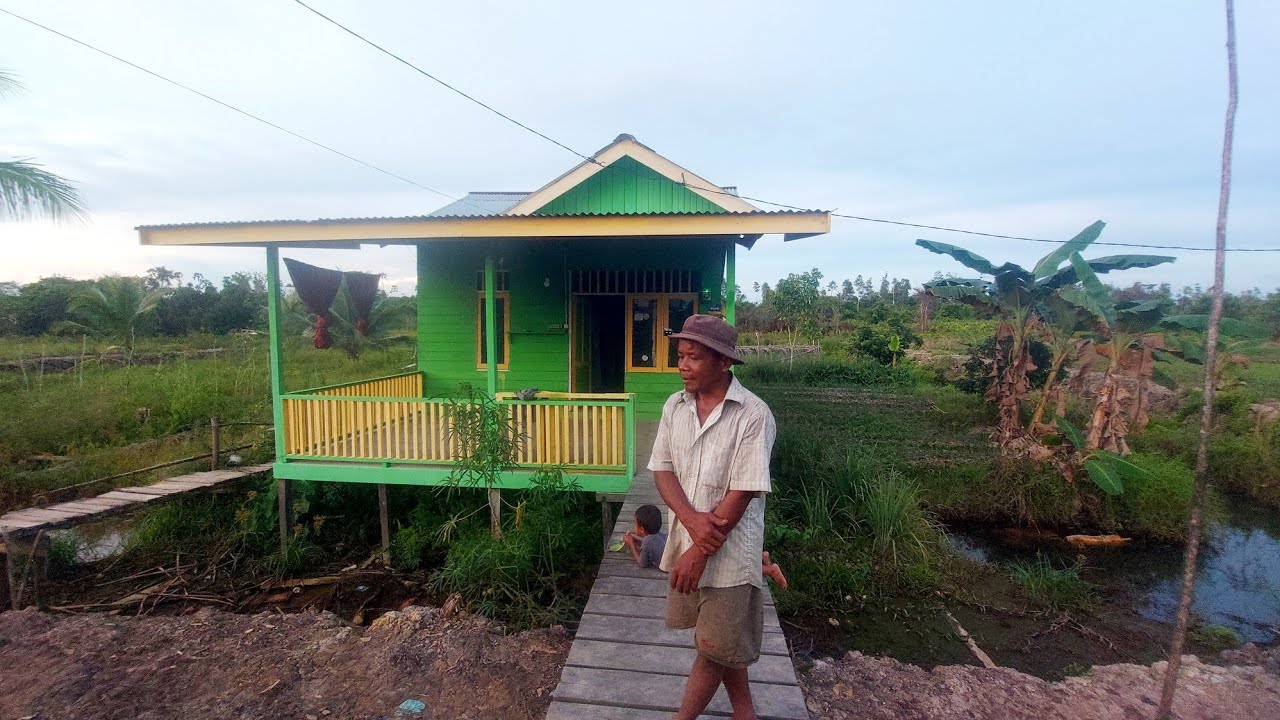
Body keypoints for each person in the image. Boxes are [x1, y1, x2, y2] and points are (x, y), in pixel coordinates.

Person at [648, 314, 777, 720]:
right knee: (718, 641)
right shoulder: (675, 406)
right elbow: (662, 469)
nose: (683, 365)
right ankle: (745, 713)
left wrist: (700, 551)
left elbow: (742, 492)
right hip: (689, 540)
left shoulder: (752, 414)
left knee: (713, 647)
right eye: (680, 356)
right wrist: (690, 521)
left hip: (731, 556)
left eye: (694, 357)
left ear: (723, 362)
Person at [621, 504, 667, 569]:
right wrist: (637, 542)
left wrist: (631, 545)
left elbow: (642, 563)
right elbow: (651, 546)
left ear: (642, 529)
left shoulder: (647, 541)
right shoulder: (659, 534)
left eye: (635, 524)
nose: (633, 527)